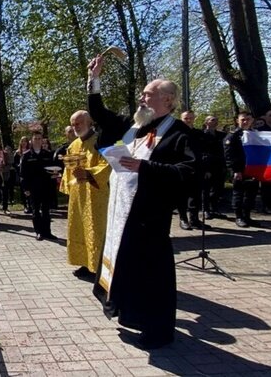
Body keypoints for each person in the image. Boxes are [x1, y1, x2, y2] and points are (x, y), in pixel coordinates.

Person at [86, 53, 195, 350]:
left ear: (168, 100)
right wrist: (94, 79)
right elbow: (100, 113)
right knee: (127, 267)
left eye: (148, 94)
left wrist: (146, 168)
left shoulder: (178, 133)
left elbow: (188, 171)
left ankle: (158, 331)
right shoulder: (135, 126)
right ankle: (129, 315)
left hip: (150, 216)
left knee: (152, 275)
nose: (142, 98)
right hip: (123, 212)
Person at [61, 110, 110, 279]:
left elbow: (107, 166)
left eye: (79, 123)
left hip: (97, 195)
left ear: (89, 123)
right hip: (78, 195)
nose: (75, 127)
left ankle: (98, 266)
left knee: (96, 230)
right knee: (79, 229)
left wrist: (89, 173)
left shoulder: (101, 142)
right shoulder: (72, 146)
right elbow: (70, 172)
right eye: (73, 124)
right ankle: (84, 263)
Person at [224, 111, 261, 228]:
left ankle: (247, 216)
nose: (245, 122)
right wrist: (235, 170)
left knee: (251, 194)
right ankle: (239, 216)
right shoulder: (233, 135)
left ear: (252, 120)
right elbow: (229, 155)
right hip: (239, 169)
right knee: (239, 194)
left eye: (248, 119)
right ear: (237, 121)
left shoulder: (256, 134)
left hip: (253, 169)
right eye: (243, 120)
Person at [20, 131, 58, 241]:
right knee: (36, 211)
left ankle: (47, 232)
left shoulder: (47, 154)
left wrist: (53, 182)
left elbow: (52, 171)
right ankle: (38, 232)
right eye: (35, 138)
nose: (37, 140)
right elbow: (23, 174)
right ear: (31, 141)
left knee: (46, 211)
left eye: (39, 138)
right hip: (33, 188)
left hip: (46, 188)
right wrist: (25, 188)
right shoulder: (26, 156)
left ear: (42, 140)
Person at [178, 111, 204, 230]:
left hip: (197, 168)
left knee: (196, 196)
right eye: (185, 118)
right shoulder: (176, 134)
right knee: (182, 195)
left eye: (190, 118)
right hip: (181, 168)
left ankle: (194, 219)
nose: (188, 120)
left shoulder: (199, 134)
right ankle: (183, 219)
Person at [201, 116, 227, 219]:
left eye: (216, 120)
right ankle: (205, 210)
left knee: (217, 189)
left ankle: (214, 209)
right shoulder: (202, 135)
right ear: (206, 122)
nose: (215, 122)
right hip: (208, 165)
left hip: (219, 165)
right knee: (206, 189)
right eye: (212, 120)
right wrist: (205, 168)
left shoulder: (221, 135)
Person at [14, 136, 32, 214]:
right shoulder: (18, 152)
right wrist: (19, 166)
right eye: (22, 141)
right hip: (22, 175)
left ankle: (31, 205)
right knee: (23, 191)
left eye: (25, 141)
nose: (24, 143)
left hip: (30, 174)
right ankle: (26, 206)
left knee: (30, 190)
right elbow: (14, 163)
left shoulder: (30, 152)